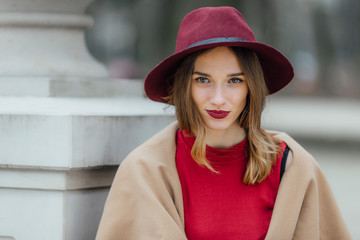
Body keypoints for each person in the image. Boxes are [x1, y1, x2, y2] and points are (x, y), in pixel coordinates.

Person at [96, 6, 351, 240]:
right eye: (203, 80)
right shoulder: (145, 171)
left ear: (252, 86)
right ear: (183, 86)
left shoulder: (293, 167)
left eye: (234, 81)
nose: (218, 99)